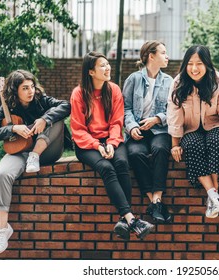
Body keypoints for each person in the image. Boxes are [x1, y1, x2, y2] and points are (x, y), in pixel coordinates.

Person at [70, 51, 154, 240]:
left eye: (108, 64)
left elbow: (117, 122)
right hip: (86, 144)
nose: (107, 68)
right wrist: (97, 146)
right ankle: (132, 220)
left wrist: (111, 143)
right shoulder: (79, 94)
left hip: (112, 139)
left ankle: (125, 222)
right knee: (107, 168)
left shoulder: (114, 90)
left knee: (122, 164)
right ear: (91, 72)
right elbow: (78, 129)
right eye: (102, 65)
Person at [0, 69, 71, 254]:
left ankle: (35, 154)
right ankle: (2, 229)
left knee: (54, 117)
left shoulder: (42, 100)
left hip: (47, 151)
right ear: (15, 90)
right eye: (25, 88)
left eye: (32, 86)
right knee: (1, 174)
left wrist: (44, 119)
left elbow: (67, 106)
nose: (30, 91)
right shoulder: (7, 107)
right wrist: (13, 129)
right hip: (19, 153)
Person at [167, 45, 219, 219]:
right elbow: (174, 116)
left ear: (207, 64)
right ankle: (214, 195)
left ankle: (213, 198)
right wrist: (175, 145)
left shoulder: (218, 81)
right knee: (193, 146)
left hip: (215, 125)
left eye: (199, 63)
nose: (194, 68)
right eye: (190, 64)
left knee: (216, 142)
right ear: (185, 65)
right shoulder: (178, 83)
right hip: (190, 129)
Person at [123, 40, 173, 223]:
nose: (167, 56)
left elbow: (173, 109)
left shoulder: (169, 81)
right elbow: (125, 108)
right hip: (137, 129)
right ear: (151, 56)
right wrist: (132, 127)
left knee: (160, 150)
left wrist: (158, 118)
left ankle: (156, 199)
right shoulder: (134, 79)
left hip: (159, 129)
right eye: (163, 53)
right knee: (135, 153)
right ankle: (154, 202)